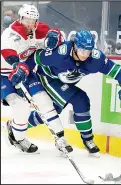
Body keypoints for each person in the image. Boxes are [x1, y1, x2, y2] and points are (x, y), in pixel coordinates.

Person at [1, 4, 73, 154]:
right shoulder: (10, 34)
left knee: (43, 99)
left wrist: (56, 35)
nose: (30, 23)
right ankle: (17, 138)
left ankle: (60, 139)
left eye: (33, 20)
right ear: (20, 19)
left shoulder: (39, 30)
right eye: (27, 20)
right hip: (4, 73)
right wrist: (17, 64)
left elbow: (60, 38)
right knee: (20, 106)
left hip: (25, 71)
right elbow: (8, 53)